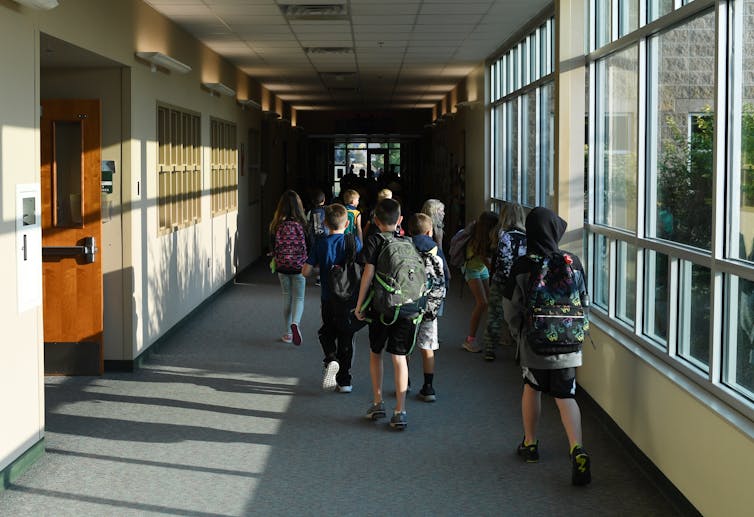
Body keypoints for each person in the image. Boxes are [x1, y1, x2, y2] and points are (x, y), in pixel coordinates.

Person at [502, 206, 591, 486]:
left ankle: (530, 444)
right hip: (568, 345)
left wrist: (520, 336)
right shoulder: (572, 262)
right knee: (566, 397)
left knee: (532, 388)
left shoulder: (523, 265)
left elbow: (510, 308)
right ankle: (577, 448)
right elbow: (584, 303)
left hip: (534, 344)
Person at [354, 198, 416, 430]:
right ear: (400, 220)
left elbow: (367, 276)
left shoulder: (374, 241)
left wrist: (359, 305)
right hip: (407, 307)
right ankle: (400, 410)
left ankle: (378, 402)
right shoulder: (408, 241)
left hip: (382, 308)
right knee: (399, 358)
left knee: (376, 352)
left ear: (376, 221)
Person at [302, 204, 363, 392]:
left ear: (325, 223)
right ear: (347, 224)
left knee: (326, 332)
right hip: (350, 299)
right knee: (347, 337)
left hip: (328, 298)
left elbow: (305, 271)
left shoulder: (321, 243)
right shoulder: (354, 243)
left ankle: (331, 358)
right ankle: (345, 381)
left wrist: (321, 270)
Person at [405, 213, 450, 403]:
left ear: (408, 230)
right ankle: (428, 387)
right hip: (430, 305)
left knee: (406, 345)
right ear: (430, 231)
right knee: (428, 346)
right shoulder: (435, 249)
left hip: (408, 304)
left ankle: (404, 381)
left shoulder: (405, 246)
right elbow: (446, 276)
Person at [482, 202, 527, 361]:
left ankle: (490, 348)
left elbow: (498, 259)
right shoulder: (526, 237)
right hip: (519, 283)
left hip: (500, 280)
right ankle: (520, 349)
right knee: (519, 313)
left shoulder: (500, 234)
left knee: (494, 313)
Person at [269, 190, 311, 345]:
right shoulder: (303, 224)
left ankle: (287, 333)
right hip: (300, 266)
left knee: (287, 296)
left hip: (282, 266)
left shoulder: (276, 224)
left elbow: (272, 247)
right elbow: (310, 245)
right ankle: (296, 323)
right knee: (299, 297)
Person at [460, 211, 498, 353]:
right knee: (482, 303)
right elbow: (487, 261)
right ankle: (470, 339)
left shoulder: (483, 234)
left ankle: (491, 334)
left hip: (481, 270)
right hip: (472, 270)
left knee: (489, 302)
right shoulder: (478, 240)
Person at [306, 189, 329, 286]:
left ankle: (318, 278)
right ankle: (324, 277)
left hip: (314, 239)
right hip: (326, 238)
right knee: (325, 258)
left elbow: (308, 225)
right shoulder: (327, 210)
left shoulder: (310, 212)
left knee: (317, 258)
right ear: (324, 200)